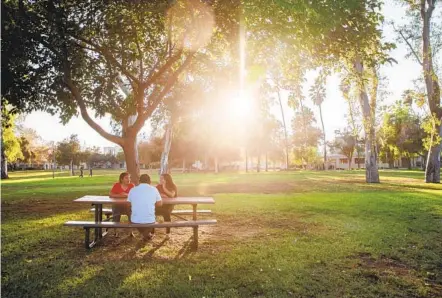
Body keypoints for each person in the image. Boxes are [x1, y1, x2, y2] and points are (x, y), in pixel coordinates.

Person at [127, 174, 162, 240]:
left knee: (138, 219)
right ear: (150, 181)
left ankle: (146, 235)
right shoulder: (154, 189)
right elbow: (160, 203)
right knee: (150, 219)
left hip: (135, 220)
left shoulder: (133, 190)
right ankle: (146, 235)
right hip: (150, 220)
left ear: (139, 181)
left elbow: (128, 204)